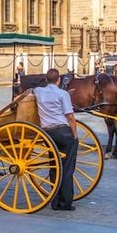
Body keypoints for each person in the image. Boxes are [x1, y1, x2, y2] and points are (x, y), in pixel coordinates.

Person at [35, 68, 78, 211]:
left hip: (47, 134)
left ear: (46, 80)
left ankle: (54, 201)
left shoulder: (38, 92)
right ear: (59, 80)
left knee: (54, 167)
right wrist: (75, 135)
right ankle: (65, 202)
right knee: (67, 168)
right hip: (63, 132)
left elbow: (28, 91)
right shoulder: (62, 94)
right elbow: (70, 116)